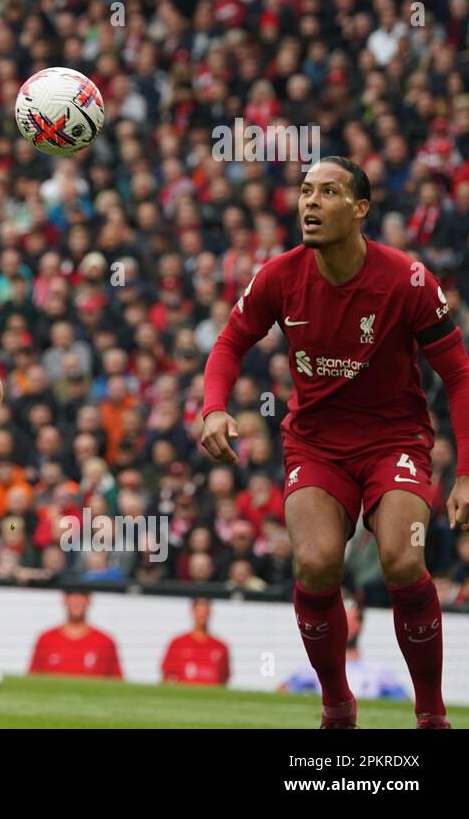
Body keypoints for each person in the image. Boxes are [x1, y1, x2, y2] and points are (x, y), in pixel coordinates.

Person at [200, 156, 469, 729]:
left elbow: (461, 374)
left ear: (360, 208)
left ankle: (430, 714)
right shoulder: (278, 276)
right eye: (304, 192)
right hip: (315, 446)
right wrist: (215, 408)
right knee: (318, 565)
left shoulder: (408, 279)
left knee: (401, 559)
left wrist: (466, 473)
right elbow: (228, 344)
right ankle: (337, 709)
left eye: (327, 192)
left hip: (395, 441)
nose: (310, 203)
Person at [280, 596, 408, 701]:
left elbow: (405, 701)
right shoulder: (318, 665)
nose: (348, 626)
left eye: (353, 621)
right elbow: (282, 691)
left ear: (360, 625)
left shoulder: (378, 670)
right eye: (344, 620)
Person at [28, 590, 122, 678]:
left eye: (82, 596)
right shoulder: (46, 639)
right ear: (65, 599)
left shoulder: (105, 641)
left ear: (89, 600)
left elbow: (118, 684)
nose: (77, 601)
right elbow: (32, 681)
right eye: (73, 596)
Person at [160, 597, 230, 686]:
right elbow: (165, 675)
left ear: (210, 613)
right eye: (199, 611)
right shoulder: (178, 642)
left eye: (205, 612)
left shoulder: (221, 646)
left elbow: (224, 679)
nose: (202, 615)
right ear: (192, 612)